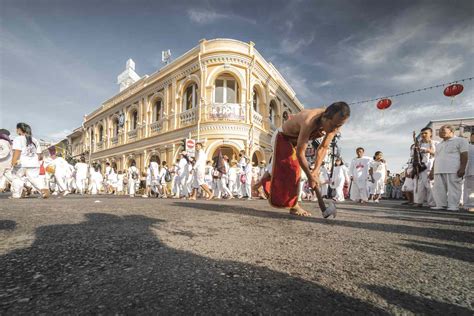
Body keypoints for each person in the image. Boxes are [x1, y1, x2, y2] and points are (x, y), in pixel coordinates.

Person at [254, 102, 350, 217]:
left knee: (278, 167)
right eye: (334, 125)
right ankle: (294, 207)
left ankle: (259, 184)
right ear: (325, 117)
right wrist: (310, 176)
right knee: (293, 169)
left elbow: (323, 148)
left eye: (339, 126)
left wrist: (315, 171)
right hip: (282, 137)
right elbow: (300, 153)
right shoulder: (309, 120)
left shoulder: (334, 126)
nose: (336, 129)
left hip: (295, 143)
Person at [429, 125, 469, 211]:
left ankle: (453, 205)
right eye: (439, 131)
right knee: (438, 188)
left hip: (453, 169)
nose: (440, 133)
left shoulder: (460, 140)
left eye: (443, 131)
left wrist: (463, 168)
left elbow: (464, 155)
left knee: (454, 188)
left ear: (451, 131)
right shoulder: (439, 144)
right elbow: (436, 158)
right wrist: (432, 171)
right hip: (439, 169)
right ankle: (440, 204)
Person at [9, 123, 49, 199]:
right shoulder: (34, 140)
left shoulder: (18, 138)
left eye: (17, 129)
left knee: (17, 178)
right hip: (34, 163)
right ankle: (43, 190)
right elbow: (40, 155)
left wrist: (13, 162)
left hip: (21, 163)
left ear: (19, 130)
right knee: (35, 179)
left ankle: (17, 195)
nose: (16, 131)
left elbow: (17, 151)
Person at [413, 128, 437, 208]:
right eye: (422, 133)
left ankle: (432, 203)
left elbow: (439, 154)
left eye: (425, 133)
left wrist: (428, 151)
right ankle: (419, 202)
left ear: (431, 134)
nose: (423, 135)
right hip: (420, 167)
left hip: (431, 166)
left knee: (430, 185)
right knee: (420, 185)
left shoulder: (436, 143)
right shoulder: (419, 144)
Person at [463, 132, 474, 212]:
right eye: (472, 137)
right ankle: (470, 205)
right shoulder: (467, 146)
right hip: (470, 171)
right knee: (470, 189)